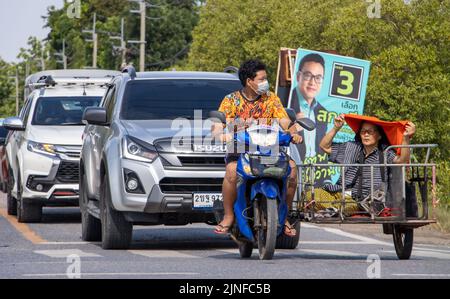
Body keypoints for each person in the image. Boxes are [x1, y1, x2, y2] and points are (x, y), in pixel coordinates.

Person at [212, 59, 303, 235]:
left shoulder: (271, 99)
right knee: (231, 171)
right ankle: (229, 216)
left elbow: (285, 120)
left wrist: (293, 132)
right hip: (240, 150)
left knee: (292, 170)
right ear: (249, 81)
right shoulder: (230, 101)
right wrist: (222, 134)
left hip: (271, 150)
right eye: (261, 79)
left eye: (265, 79)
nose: (265, 83)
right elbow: (217, 126)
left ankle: (284, 217)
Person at [315, 114, 416, 215]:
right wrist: (336, 128)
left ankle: (332, 209)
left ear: (379, 135)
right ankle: (331, 209)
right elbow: (324, 146)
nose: (366, 134)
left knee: (347, 205)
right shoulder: (351, 147)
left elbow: (402, 160)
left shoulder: (385, 151)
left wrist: (405, 138)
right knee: (311, 196)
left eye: (370, 132)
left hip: (366, 201)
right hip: (340, 193)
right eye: (363, 131)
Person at [290, 53, 328, 161]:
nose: (312, 82)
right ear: (298, 76)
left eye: (318, 78)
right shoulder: (286, 103)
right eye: (307, 75)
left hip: (315, 173)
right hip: (293, 170)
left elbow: (321, 150)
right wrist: (292, 127)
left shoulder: (322, 111)